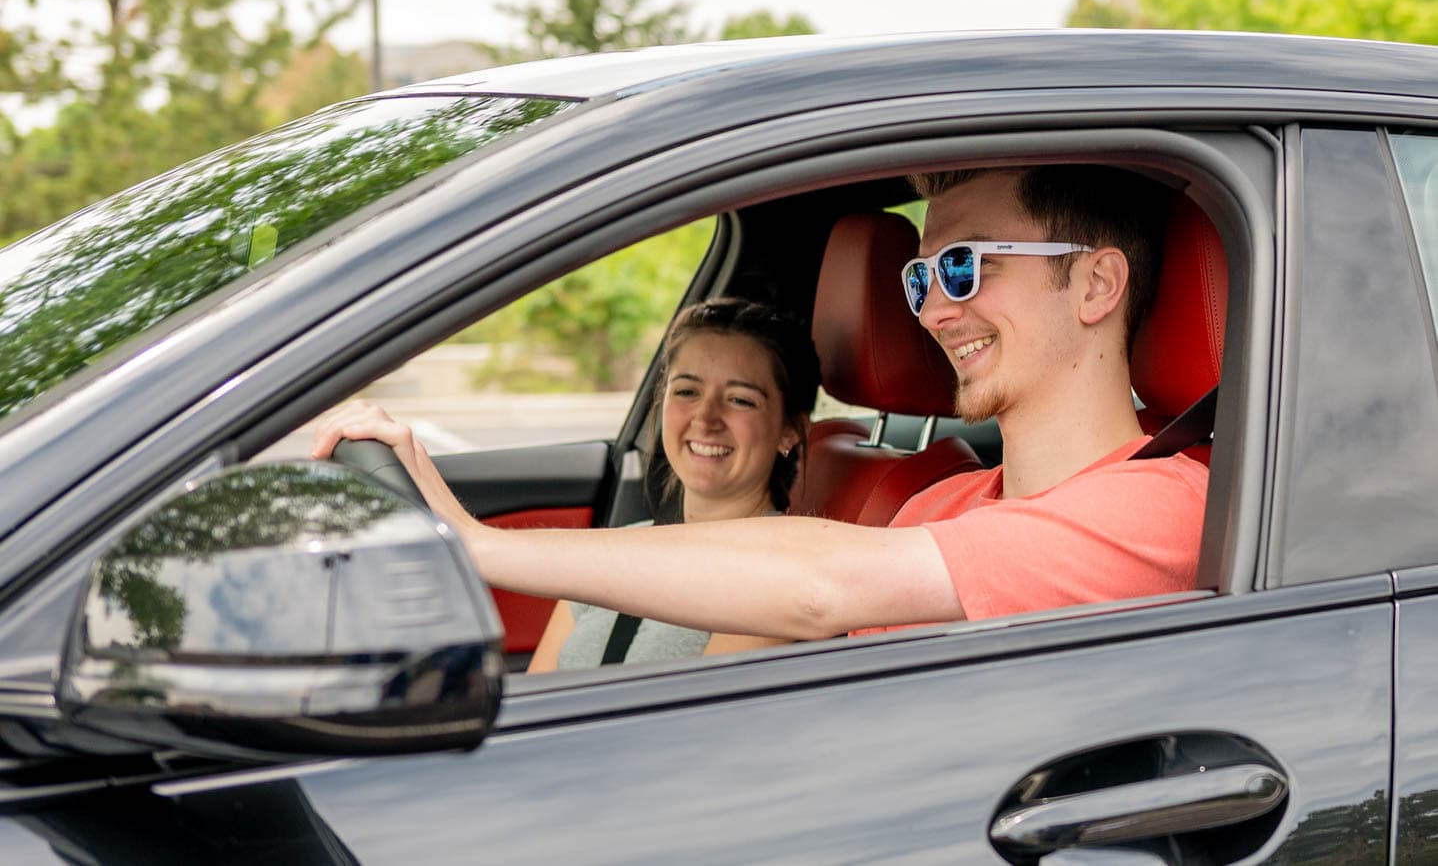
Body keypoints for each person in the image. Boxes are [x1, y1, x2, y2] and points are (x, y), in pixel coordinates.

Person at [313, 165, 1209, 643]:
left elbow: (823, 583)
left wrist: (479, 545)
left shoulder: (1168, 506)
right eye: (921, 275)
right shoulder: (939, 504)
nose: (936, 307)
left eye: (968, 264)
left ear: (1096, 283)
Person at [526, 298, 821, 671]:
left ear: (790, 430)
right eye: (686, 391)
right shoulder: (621, 547)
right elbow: (535, 693)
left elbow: (690, 724)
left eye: (740, 399)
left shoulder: (779, 575)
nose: (706, 417)